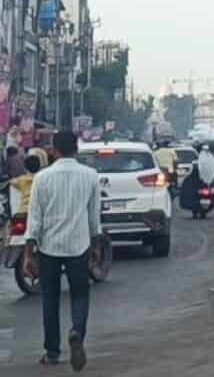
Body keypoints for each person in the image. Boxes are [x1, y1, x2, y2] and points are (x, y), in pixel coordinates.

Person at [24, 130, 101, 370]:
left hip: (49, 247)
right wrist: (96, 245)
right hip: (79, 246)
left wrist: (29, 252)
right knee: (80, 294)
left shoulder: (43, 178)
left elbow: (34, 218)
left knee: (50, 298)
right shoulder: (90, 176)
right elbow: (93, 217)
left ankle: (53, 352)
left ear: (54, 150)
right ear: (76, 148)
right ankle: (76, 331)